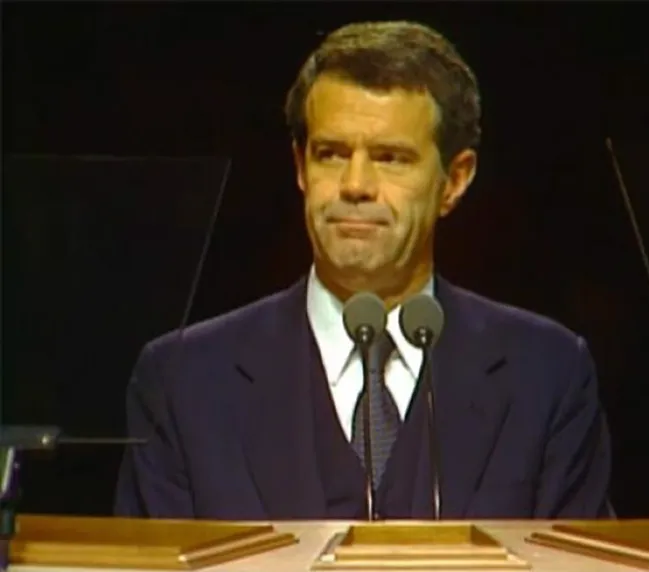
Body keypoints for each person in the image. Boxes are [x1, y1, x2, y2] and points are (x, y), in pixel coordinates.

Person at [114, 20, 613, 520]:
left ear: (455, 180)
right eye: (331, 154)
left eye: (390, 158)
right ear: (300, 167)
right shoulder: (184, 380)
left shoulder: (545, 374)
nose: (355, 185)